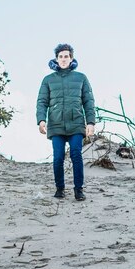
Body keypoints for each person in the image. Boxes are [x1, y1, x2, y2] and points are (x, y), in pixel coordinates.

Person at [36, 43, 95, 201]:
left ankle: (78, 190)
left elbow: (88, 101)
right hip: (56, 125)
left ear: (71, 58)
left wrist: (90, 122)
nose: (63, 59)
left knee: (76, 155)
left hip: (76, 123)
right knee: (58, 158)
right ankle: (60, 188)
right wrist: (41, 120)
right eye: (60, 56)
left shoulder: (81, 78)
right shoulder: (48, 80)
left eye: (66, 56)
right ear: (56, 59)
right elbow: (42, 101)